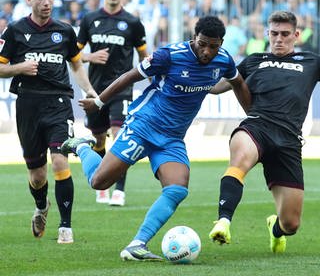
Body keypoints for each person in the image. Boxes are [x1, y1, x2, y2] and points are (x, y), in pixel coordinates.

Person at [61, 15, 251, 260]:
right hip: (143, 126)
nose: (207, 51)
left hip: (172, 137)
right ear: (194, 37)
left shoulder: (224, 60)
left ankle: (137, 244)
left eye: (213, 46)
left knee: (177, 189)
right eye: (202, 44)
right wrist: (98, 102)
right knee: (99, 182)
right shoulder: (169, 55)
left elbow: (238, 83)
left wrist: (252, 116)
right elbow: (130, 76)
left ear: (221, 43)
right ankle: (83, 147)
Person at [209, 10, 320, 253]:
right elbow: (218, 87)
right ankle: (223, 221)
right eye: (274, 33)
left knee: (291, 224)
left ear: (296, 35)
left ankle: (275, 229)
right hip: (256, 127)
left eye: (285, 34)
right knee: (239, 160)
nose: (279, 38)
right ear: (267, 33)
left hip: (289, 140)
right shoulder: (253, 60)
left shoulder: (311, 62)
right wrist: (193, 78)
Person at [0, 0, 95, 244]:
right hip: (27, 104)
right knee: (37, 173)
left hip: (59, 102)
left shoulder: (65, 31)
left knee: (60, 160)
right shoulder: (15, 31)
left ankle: (66, 227)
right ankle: (42, 206)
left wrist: (88, 89)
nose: (46, 2)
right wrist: (20, 68)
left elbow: (76, 65)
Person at [77, 0, 148, 206]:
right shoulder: (89, 19)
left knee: (119, 138)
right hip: (95, 93)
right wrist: (89, 56)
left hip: (122, 90)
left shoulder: (133, 23)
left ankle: (119, 190)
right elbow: (74, 55)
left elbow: (144, 56)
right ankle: (101, 181)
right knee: (99, 140)